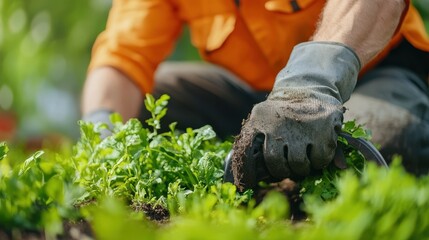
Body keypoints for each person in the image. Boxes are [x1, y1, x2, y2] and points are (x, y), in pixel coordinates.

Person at [81, 0, 429, 189]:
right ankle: (265, 150)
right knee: (148, 102)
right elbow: (123, 56)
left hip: (371, 74)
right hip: (259, 98)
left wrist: (310, 83)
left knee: (385, 136)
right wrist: (104, 141)